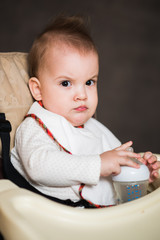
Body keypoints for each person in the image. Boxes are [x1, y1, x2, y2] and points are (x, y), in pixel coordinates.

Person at [11, 15, 160, 208]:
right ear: (37, 90)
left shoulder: (93, 127)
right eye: (66, 83)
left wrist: (139, 172)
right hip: (59, 216)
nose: (82, 95)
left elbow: (115, 170)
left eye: (89, 82)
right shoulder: (36, 126)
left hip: (98, 218)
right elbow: (39, 166)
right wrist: (98, 164)